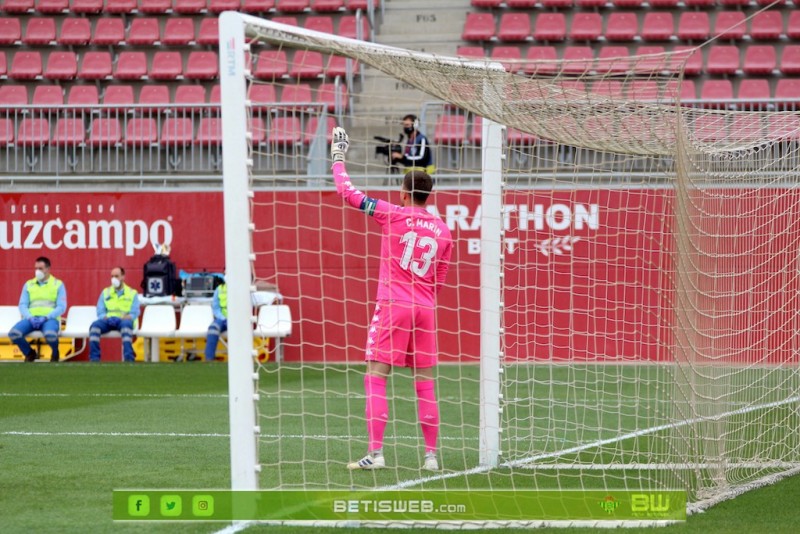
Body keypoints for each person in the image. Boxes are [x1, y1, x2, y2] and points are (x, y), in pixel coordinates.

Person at [331, 127, 453, 471]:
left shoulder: (392, 213)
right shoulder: (443, 231)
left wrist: (338, 156)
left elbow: (347, 192)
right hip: (426, 309)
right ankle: (430, 457)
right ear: (428, 196)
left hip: (393, 305)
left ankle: (376, 453)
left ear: (403, 193)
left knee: (376, 374)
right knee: (425, 382)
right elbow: (439, 279)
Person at [9, 256, 67, 363]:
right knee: (14, 333)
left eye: (40, 268)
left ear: (48, 269)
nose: (37, 271)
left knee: (50, 335)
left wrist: (47, 317)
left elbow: (61, 307)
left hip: (49, 319)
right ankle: (30, 353)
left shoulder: (58, 284)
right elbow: (22, 305)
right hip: (31, 319)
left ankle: (55, 353)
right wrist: (30, 317)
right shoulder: (29, 284)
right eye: (36, 268)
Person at [89, 267, 140, 362]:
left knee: (126, 327)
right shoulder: (106, 292)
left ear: (123, 277)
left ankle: (129, 358)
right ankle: (94, 359)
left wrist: (124, 318)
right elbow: (100, 311)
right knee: (95, 327)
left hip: (123, 321)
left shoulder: (132, 293)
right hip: (108, 321)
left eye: (116, 276)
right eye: (112, 276)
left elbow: (135, 312)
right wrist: (106, 318)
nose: (114, 279)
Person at [204, 280, 227, 362]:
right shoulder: (219, 289)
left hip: (238, 319)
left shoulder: (242, 288)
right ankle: (209, 358)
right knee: (213, 329)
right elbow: (216, 308)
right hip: (223, 319)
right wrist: (223, 318)